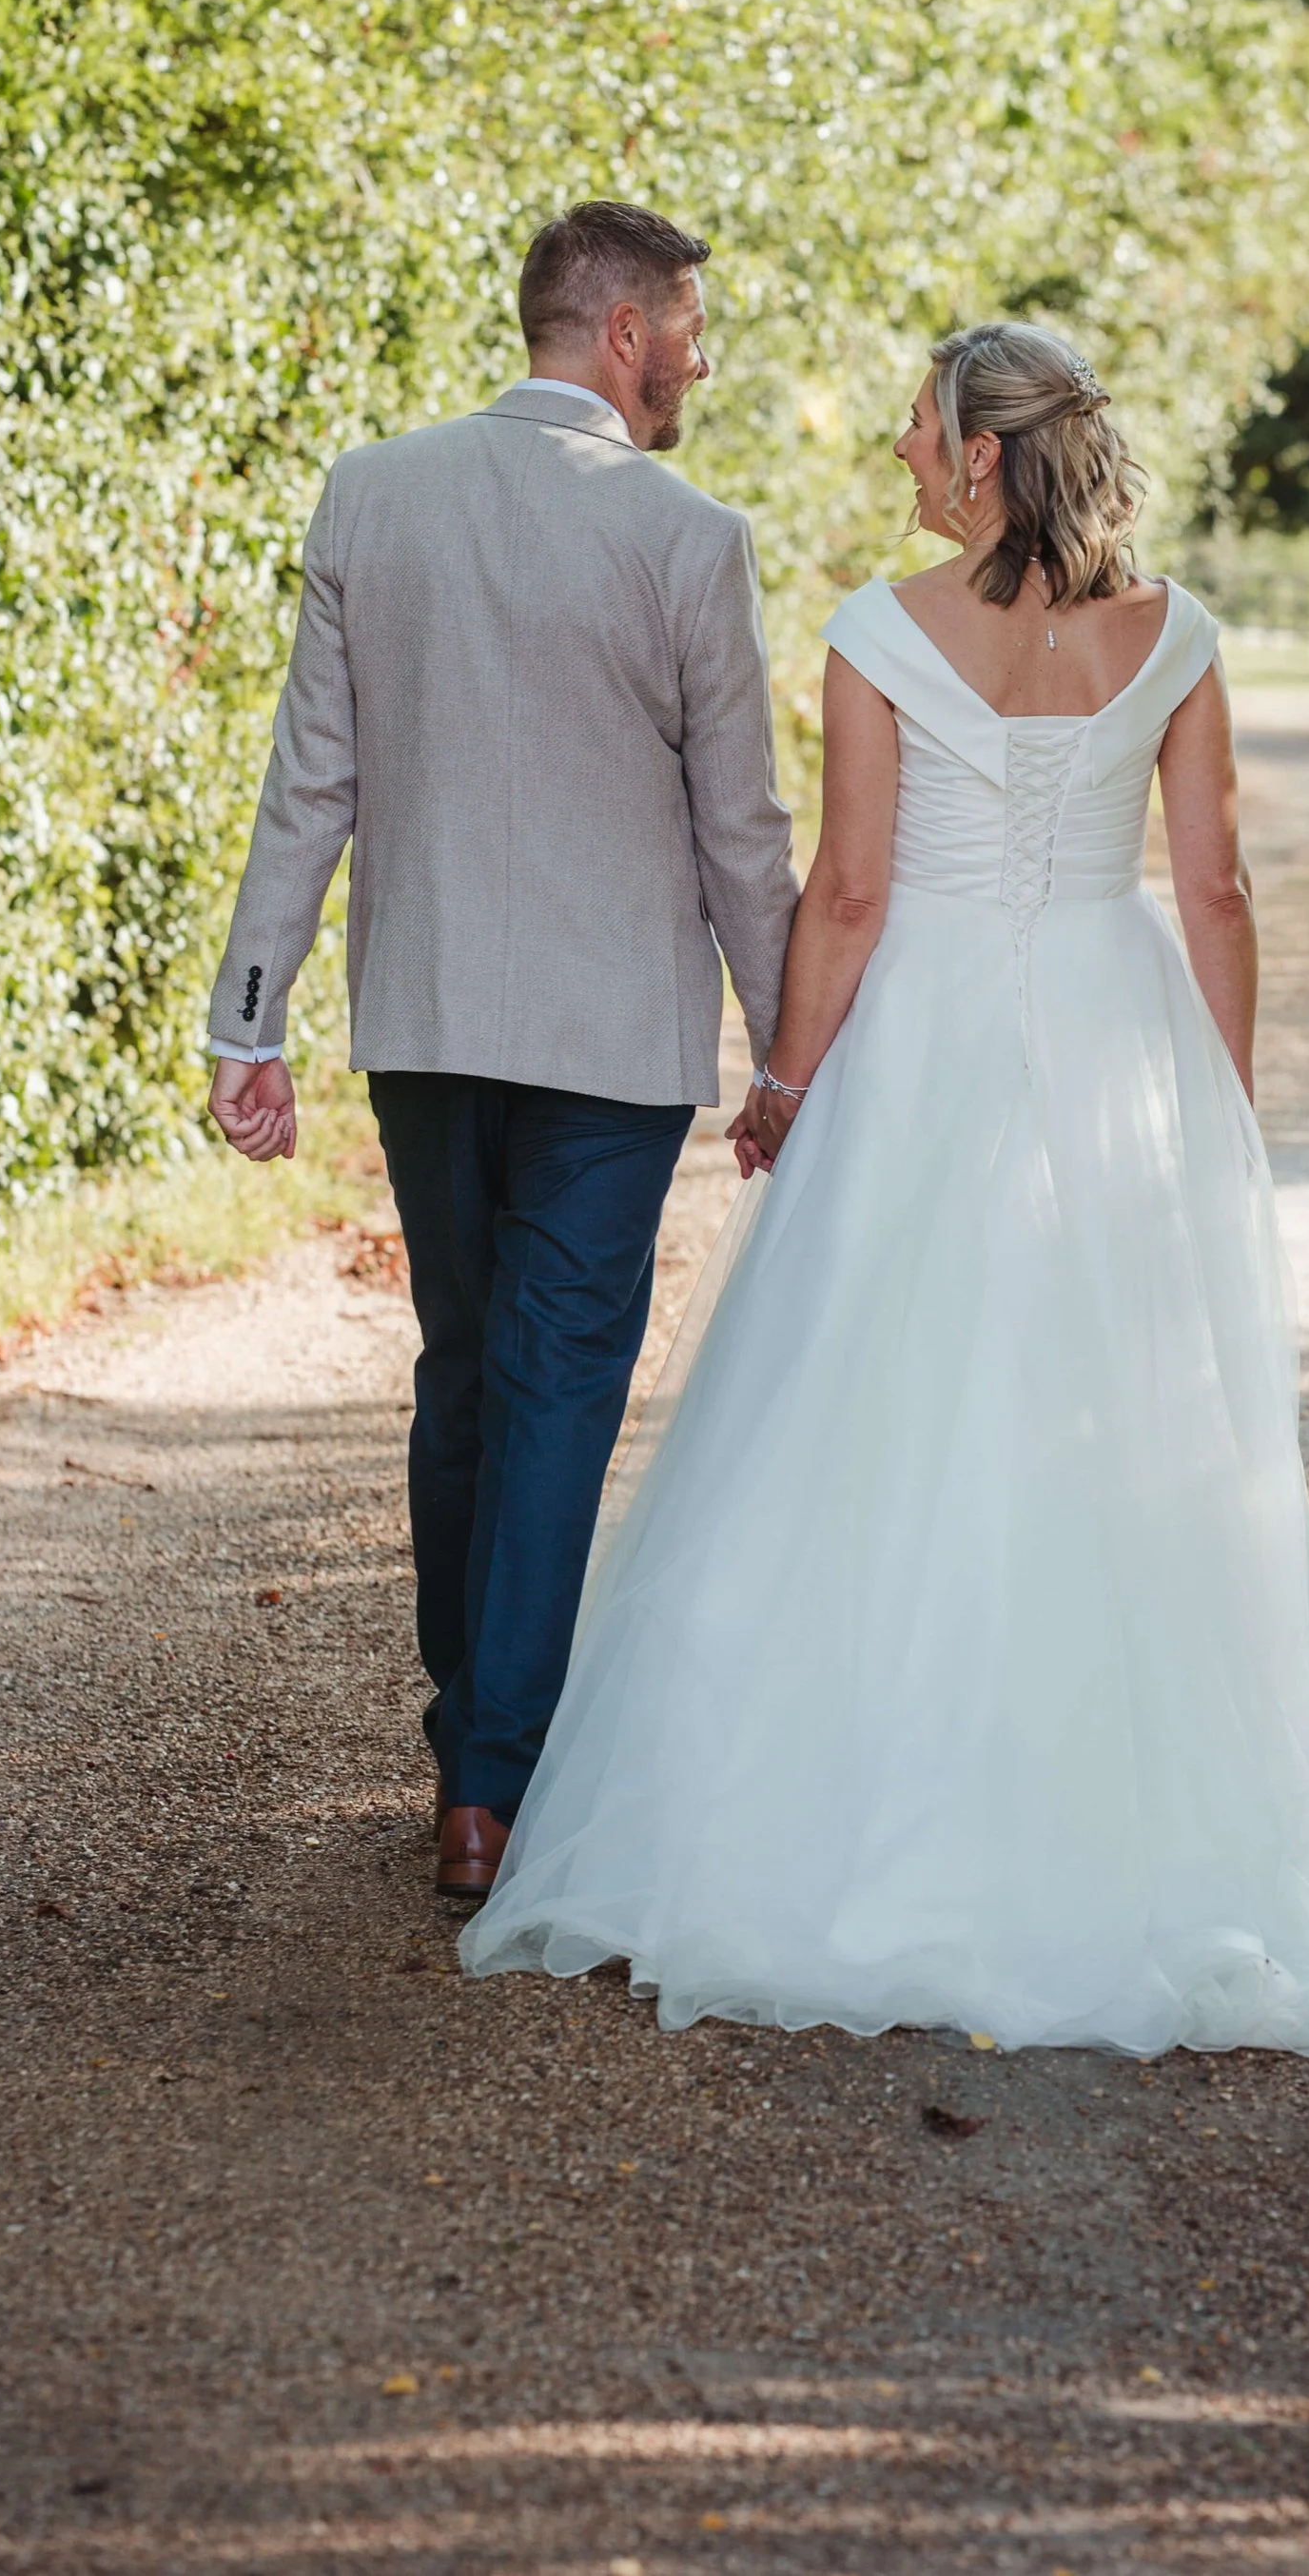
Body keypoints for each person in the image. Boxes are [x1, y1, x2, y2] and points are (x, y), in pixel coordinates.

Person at [461, 322, 1309, 2058]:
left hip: (925, 1039)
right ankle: (1127, 1845)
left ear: (981, 454)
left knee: (866, 1410)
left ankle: (825, 1822)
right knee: (1108, 1426)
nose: (901, 446)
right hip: (1117, 1031)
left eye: (919, 422)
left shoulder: (879, 631)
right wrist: (1224, 1102)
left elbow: (845, 892)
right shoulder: (1175, 635)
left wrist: (790, 1081)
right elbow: (1214, 891)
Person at [205, 201, 797, 1900]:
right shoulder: (692, 538)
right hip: (614, 1050)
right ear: (622, 332)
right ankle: (492, 1781)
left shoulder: (371, 492)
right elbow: (740, 834)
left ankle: (469, 1739)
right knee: (552, 1392)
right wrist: (789, 1053)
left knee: (463, 1371)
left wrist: (251, 1017)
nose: (699, 355)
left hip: (430, 1025)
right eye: (690, 324)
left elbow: (309, 779)